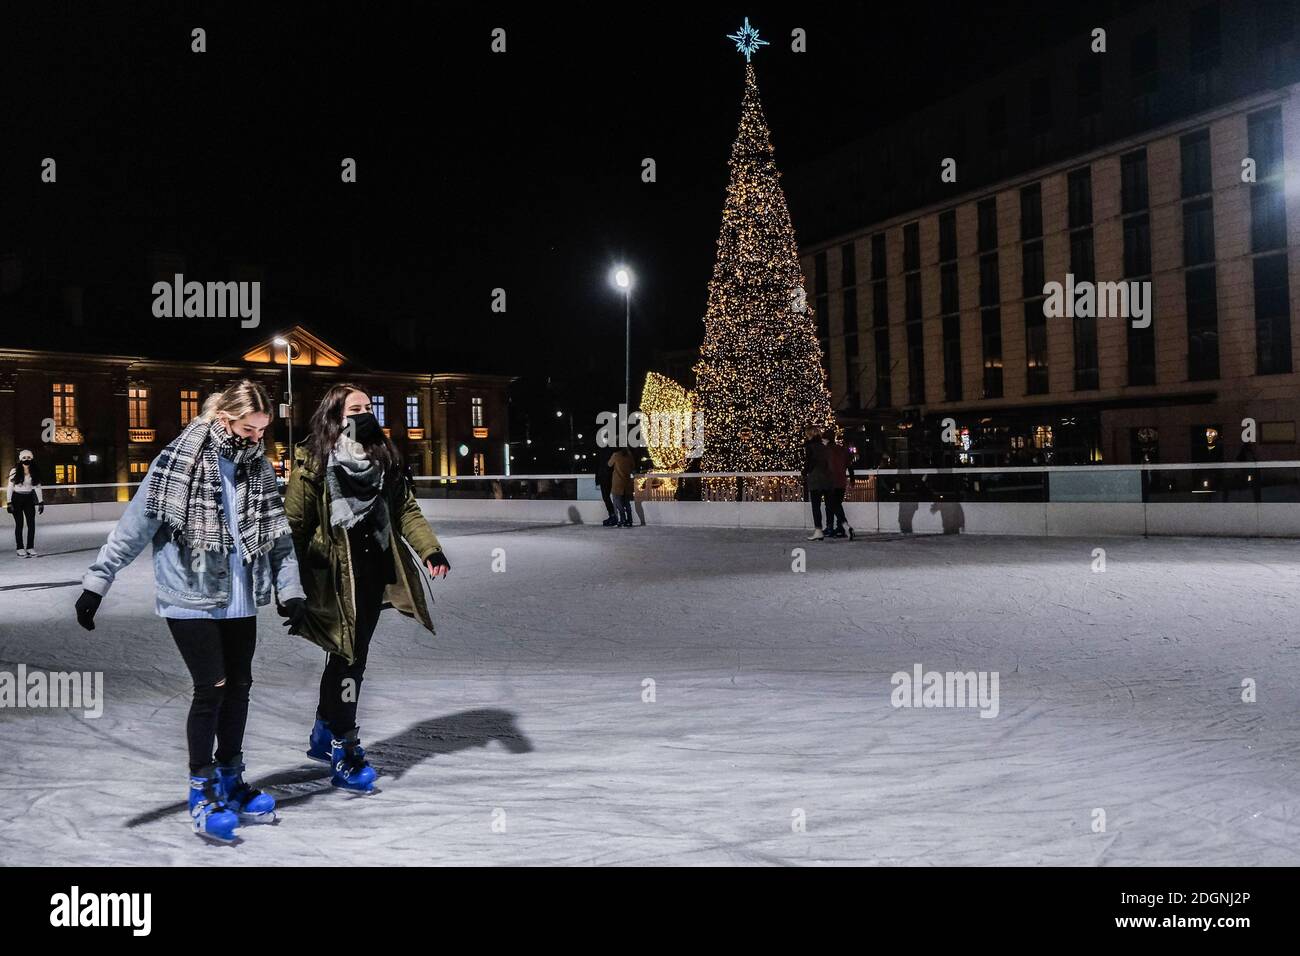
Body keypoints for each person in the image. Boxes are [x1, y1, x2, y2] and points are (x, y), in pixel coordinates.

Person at [74, 380, 306, 844]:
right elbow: (134, 526)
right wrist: (97, 583)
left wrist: (290, 590)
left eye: (262, 430)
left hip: (240, 597)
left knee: (239, 688)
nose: (256, 438)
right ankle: (202, 789)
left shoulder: (256, 467)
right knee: (212, 688)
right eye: (248, 428)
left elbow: (277, 536)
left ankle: (231, 779)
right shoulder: (176, 461)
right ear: (224, 418)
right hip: (190, 597)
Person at [285, 384, 450, 794]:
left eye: (368, 406)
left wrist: (430, 549)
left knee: (348, 655)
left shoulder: (384, 456)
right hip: (333, 574)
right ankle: (344, 746)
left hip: (374, 571)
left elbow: (405, 508)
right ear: (335, 416)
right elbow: (295, 523)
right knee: (347, 657)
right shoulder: (314, 459)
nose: (363, 413)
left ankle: (326, 731)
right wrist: (287, 580)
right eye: (353, 408)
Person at [6, 449, 44, 557]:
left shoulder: (34, 471)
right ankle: (20, 548)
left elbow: (37, 486)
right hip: (16, 498)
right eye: (24, 458)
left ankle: (30, 547)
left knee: (31, 524)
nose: (26, 460)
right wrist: (9, 502)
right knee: (19, 524)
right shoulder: (14, 471)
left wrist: (41, 501)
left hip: (28, 499)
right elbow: (10, 487)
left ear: (31, 459)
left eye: (28, 458)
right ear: (20, 460)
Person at [801, 426, 831, 540]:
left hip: (816, 478)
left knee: (816, 505)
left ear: (810, 434)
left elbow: (810, 461)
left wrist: (804, 472)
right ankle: (830, 526)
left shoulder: (810, 447)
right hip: (827, 478)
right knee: (829, 504)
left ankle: (818, 530)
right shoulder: (824, 446)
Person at [824, 431, 855, 540]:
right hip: (841, 482)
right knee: (837, 505)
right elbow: (850, 466)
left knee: (831, 505)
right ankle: (839, 528)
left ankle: (839, 526)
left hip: (830, 482)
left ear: (826, 440)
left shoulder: (826, 450)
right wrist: (852, 479)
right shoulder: (842, 450)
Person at [608, 447, 634, 527]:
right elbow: (633, 466)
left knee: (617, 501)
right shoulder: (629, 456)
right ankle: (629, 520)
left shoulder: (616, 455)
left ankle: (622, 519)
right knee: (627, 502)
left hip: (617, 483)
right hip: (627, 482)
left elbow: (609, 464)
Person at [595, 445, 617, 526]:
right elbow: (598, 465)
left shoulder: (604, 450)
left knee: (606, 497)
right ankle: (614, 515)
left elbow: (598, 466)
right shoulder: (612, 449)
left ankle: (613, 515)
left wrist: (597, 481)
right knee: (610, 497)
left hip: (605, 477)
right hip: (608, 476)